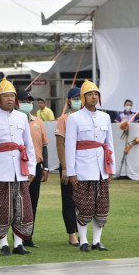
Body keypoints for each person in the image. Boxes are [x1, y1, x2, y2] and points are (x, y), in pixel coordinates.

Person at [0, 78, 36, 256]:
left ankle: (18, 243)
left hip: (20, 171)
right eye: (6, 96)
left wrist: (32, 169)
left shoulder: (22, 117)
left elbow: (29, 145)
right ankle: (3, 243)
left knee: (21, 209)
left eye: (12, 95)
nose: (10, 99)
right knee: (1, 208)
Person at [65, 79, 115, 252]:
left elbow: (109, 144)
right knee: (84, 206)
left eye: (96, 94)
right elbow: (70, 147)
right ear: (83, 97)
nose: (94, 97)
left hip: (101, 169)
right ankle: (84, 241)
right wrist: (71, 172)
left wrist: (111, 169)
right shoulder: (74, 118)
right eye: (90, 94)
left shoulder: (105, 117)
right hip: (83, 169)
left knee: (101, 206)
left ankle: (97, 241)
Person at [17, 90, 49, 249]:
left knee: (32, 203)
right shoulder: (14, 120)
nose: (27, 104)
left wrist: (46, 166)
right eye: (24, 101)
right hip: (18, 167)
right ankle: (17, 238)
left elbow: (44, 146)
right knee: (17, 203)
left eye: (29, 101)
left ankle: (28, 237)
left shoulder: (38, 122)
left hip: (35, 166)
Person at [54, 87, 81, 247]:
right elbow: (59, 144)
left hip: (84, 163)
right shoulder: (64, 119)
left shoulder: (86, 117)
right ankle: (72, 234)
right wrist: (65, 167)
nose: (78, 101)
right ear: (69, 101)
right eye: (75, 98)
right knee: (69, 200)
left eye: (80, 98)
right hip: (68, 164)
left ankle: (83, 232)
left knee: (85, 199)